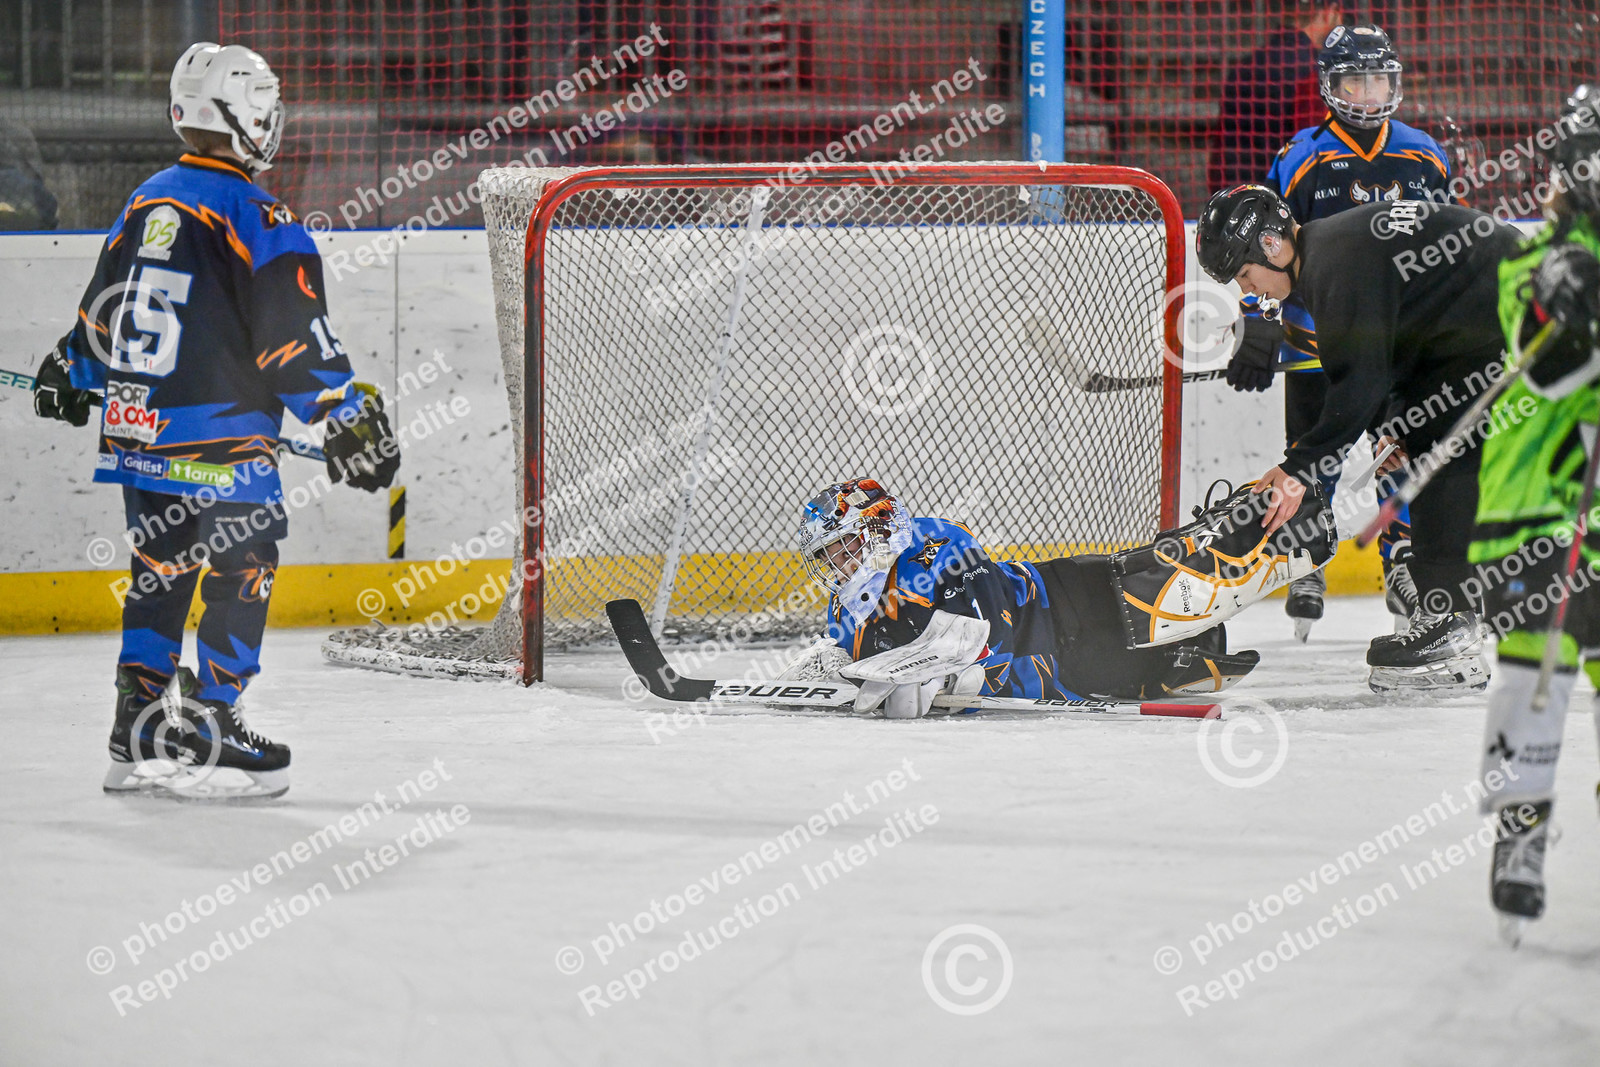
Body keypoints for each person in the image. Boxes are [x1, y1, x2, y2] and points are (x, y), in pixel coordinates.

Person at [30, 43, 399, 800]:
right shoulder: (258, 215)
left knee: (160, 570)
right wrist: (342, 412)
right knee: (244, 564)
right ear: (248, 118)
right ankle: (212, 716)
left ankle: (137, 724)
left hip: (139, 436)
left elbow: (103, 314)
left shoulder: (145, 201)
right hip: (222, 440)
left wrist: (69, 369)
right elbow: (292, 338)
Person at [1196, 184, 1525, 693]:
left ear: (1271, 246)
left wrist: (1298, 469)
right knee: (1435, 443)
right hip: (1499, 318)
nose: (1251, 289)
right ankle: (1450, 619)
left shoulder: (1333, 266)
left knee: (1444, 448)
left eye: (1244, 274)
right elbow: (1396, 354)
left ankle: (1450, 619)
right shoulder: (1333, 254)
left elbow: (1359, 383)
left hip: (1530, 314)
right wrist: (1395, 424)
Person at [1226, 23, 1453, 640]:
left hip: (1398, 341)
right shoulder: (1300, 157)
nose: (1369, 91)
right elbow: (1262, 246)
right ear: (1330, 85)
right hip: (1315, 338)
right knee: (1314, 451)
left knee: (1398, 450)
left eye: (1378, 78)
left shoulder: (1425, 154)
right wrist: (1259, 321)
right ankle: (1307, 559)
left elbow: (1447, 244)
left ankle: (1403, 562)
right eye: (1356, 80)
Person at [781, 477, 1336, 719]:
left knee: (1191, 586)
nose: (836, 565)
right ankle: (1191, 655)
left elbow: (977, 626)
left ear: (878, 530)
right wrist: (841, 671)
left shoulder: (930, 542)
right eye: (827, 556)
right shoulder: (847, 608)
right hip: (1074, 672)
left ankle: (1299, 523)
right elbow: (860, 665)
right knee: (1181, 655)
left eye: (841, 548)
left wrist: (936, 670)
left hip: (1084, 602)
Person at [1466, 84, 1600, 942]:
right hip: (1534, 516)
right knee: (1532, 680)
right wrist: (1566, 308)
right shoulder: (1532, 258)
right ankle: (1519, 838)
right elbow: (1546, 371)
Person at [1208, 0, 1344, 193]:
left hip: (1233, 190)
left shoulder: (1243, 67)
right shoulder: (1314, 73)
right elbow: (1311, 149)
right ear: (1328, 12)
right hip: (1282, 193)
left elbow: (1221, 146)